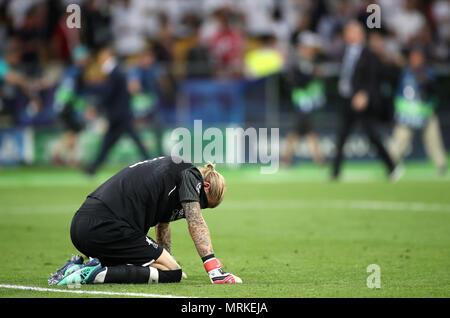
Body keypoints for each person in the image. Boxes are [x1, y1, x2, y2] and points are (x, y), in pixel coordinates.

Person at [49, 157, 242, 285]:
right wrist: (215, 270)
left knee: (168, 269)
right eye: (203, 204)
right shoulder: (190, 174)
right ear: (205, 186)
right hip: (109, 225)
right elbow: (196, 221)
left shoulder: (171, 174)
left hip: (83, 225)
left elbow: (162, 223)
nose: (199, 207)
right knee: (172, 274)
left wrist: (167, 260)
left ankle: (77, 268)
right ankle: (95, 275)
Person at [332, 21, 399, 180]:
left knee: (372, 136)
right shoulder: (345, 52)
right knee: (341, 136)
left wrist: (365, 94)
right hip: (346, 99)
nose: (347, 34)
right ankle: (335, 173)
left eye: (350, 31)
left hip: (362, 101)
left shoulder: (369, 53)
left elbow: (373, 78)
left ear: (359, 34)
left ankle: (392, 167)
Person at [85, 45, 149, 175]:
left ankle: (93, 168)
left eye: (102, 56)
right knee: (110, 143)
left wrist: (95, 107)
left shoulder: (114, 72)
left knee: (114, 142)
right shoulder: (116, 72)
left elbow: (109, 93)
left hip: (119, 115)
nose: (100, 59)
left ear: (108, 56)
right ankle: (93, 168)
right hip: (120, 114)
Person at [388, 47, 447, 175]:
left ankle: (441, 166)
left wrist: (419, 73)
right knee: (399, 141)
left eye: (418, 57)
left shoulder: (428, 72)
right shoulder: (403, 72)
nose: (415, 60)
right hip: (406, 114)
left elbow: (434, 89)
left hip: (425, 113)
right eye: (413, 57)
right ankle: (390, 165)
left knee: (433, 141)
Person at [281, 31, 325, 166]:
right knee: (305, 131)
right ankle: (318, 160)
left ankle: (286, 159)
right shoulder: (298, 63)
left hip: (309, 101)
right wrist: (312, 75)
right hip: (303, 102)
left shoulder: (309, 62)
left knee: (302, 131)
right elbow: (298, 82)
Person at [51, 45, 90, 166]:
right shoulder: (77, 73)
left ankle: (72, 158)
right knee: (73, 131)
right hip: (68, 107)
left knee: (74, 131)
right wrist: (80, 106)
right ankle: (58, 153)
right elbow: (70, 92)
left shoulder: (70, 70)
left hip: (64, 105)